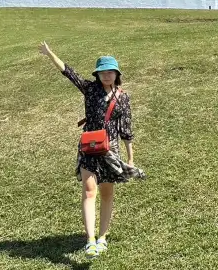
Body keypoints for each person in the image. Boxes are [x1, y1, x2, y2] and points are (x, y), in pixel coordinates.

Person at [38, 41, 145, 258]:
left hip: (111, 152)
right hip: (88, 148)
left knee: (107, 195)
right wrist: (50, 54)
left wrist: (131, 158)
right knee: (89, 192)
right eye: (102, 72)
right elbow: (69, 73)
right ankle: (90, 240)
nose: (106, 76)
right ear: (97, 74)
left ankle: (102, 237)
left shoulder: (123, 98)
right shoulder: (90, 89)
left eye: (110, 72)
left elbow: (126, 130)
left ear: (116, 74)